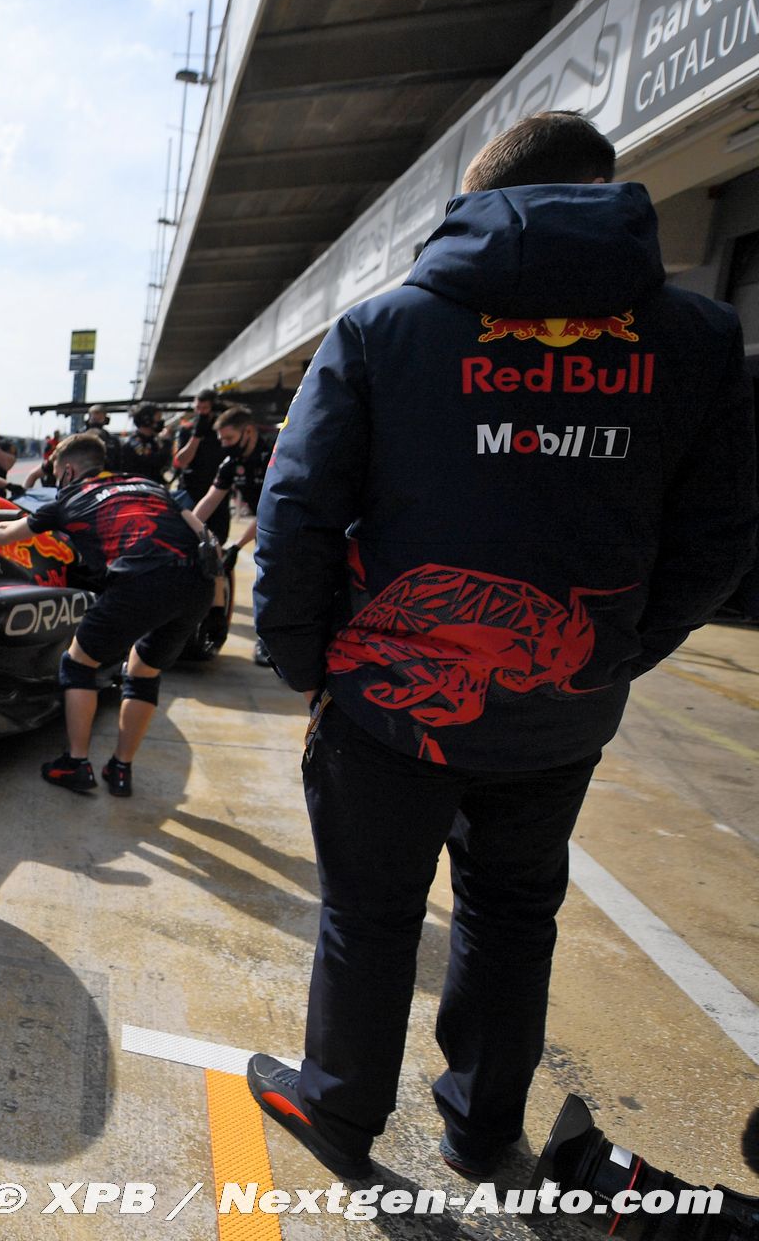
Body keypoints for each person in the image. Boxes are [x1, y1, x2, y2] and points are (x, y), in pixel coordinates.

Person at [247, 111, 759, 1182]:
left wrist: (303, 659)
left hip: (387, 702)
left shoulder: (383, 328)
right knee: (514, 914)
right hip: (561, 712)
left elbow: (296, 509)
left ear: (478, 201)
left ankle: (338, 1110)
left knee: (370, 914)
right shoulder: (703, 338)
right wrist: (615, 652)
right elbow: (721, 539)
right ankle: (482, 1132)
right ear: (606, 188)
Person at [0, 431, 215, 798]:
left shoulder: (71, 497)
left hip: (142, 579)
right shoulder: (147, 484)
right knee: (143, 672)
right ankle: (121, 769)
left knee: (78, 663)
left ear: (67, 470)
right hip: (197, 582)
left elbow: (5, 533)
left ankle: (76, 763)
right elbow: (200, 529)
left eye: (55, 473)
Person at [191, 405, 273, 662]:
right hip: (265, 527)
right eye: (222, 440)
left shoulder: (275, 457)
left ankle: (270, 643)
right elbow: (210, 500)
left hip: (288, 526)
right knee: (264, 583)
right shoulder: (231, 463)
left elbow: (271, 510)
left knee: (278, 584)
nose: (225, 444)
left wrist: (237, 545)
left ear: (248, 431)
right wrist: (187, 529)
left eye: (229, 438)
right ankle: (267, 639)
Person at [171, 385, 225, 514]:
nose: (201, 412)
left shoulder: (223, 429)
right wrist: (196, 436)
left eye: (205, 408)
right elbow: (181, 461)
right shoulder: (186, 428)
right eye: (198, 408)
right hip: (191, 489)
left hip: (217, 487)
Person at [109, 403, 174, 481]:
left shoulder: (153, 441)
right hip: (139, 485)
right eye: (158, 418)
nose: (161, 421)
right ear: (147, 420)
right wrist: (166, 442)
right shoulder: (135, 443)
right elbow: (156, 461)